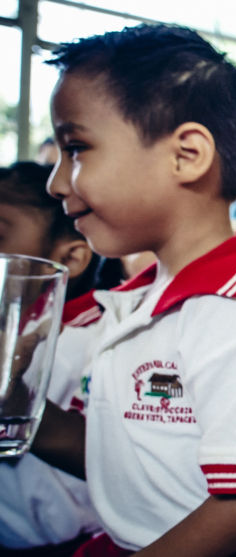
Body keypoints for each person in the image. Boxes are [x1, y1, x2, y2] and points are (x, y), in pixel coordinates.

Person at [33, 23, 236, 556]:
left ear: (186, 156)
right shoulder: (140, 301)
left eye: (77, 148)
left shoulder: (233, 310)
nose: (57, 182)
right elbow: (118, 453)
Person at [0, 161, 108, 553]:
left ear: (72, 258)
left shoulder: (94, 338)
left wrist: (11, 390)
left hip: (64, 542)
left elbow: (106, 461)